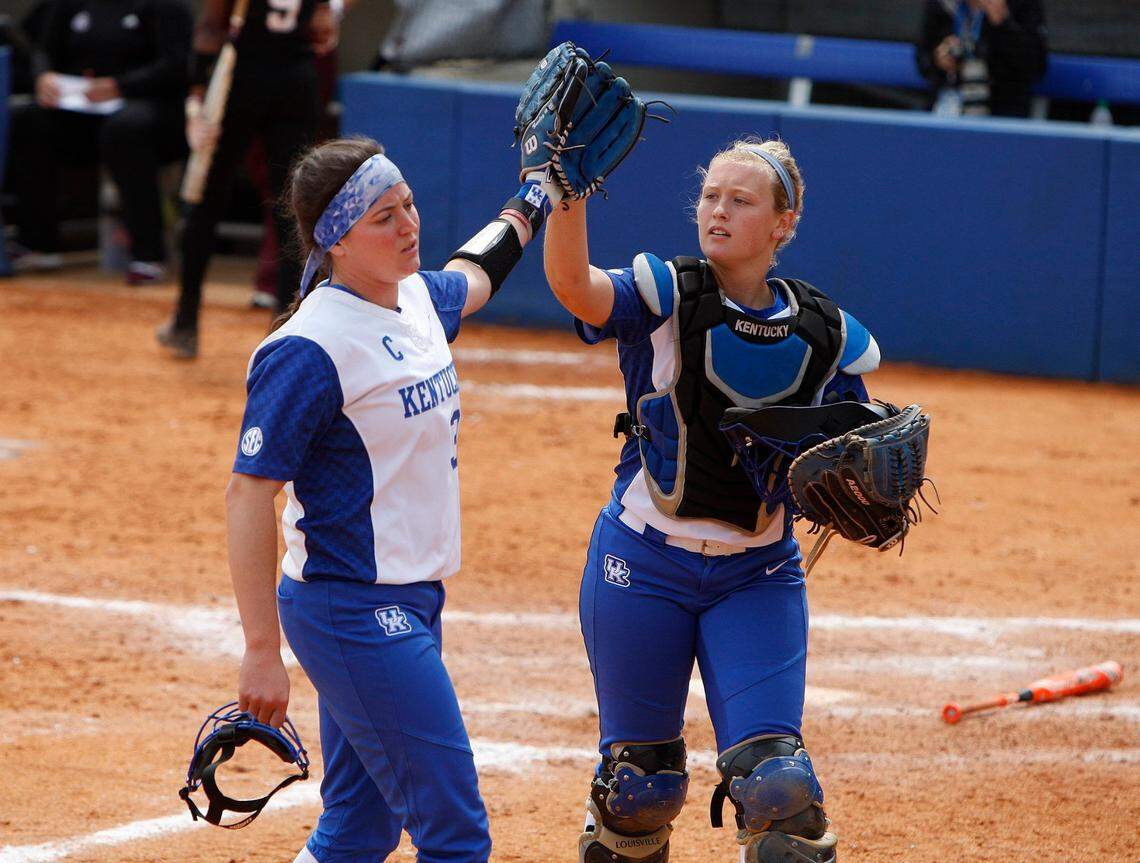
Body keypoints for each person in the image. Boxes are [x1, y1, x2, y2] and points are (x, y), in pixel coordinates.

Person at [542, 139, 880, 863]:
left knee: (778, 786)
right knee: (642, 786)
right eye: (709, 196)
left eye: (741, 200)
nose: (717, 210)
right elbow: (574, 286)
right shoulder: (662, 294)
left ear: (783, 223)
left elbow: (851, 457)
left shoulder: (828, 337)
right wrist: (564, 195)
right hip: (641, 564)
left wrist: (862, 485)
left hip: (755, 576)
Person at [226, 136, 550, 863]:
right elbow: (248, 494)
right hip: (353, 609)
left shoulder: (415, 299)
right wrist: (259, 650)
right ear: (334, 238)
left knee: (359, 829)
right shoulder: (307, 348)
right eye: (383, 217)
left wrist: (536, 196)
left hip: (410, 598)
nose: (408, 226)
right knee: (455, 834)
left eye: (408, 205)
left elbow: (475, 270)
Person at [156, 0, 340, 358]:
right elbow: (322, 26)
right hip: (296, 81)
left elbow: (211, 26)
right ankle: (287, 330)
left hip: (242, 79)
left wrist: (195, 100)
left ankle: (185, 320)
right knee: (292, 207)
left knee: (206, 199)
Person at [4, 0, 192, 279]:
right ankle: (38, 244)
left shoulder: (166, 6)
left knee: (126, 129)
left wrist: (121, 86)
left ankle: (148, 254)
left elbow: (177, 65)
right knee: (29, 121)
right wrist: (43, 78)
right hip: (81, 108)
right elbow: (42, 49)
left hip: (150, 110)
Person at [915, 0, 1047, 118]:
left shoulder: (1021, 5)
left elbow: (1035, 68)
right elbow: (923, 58)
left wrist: (1004, 26)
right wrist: (939, 59)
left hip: (1001, 110)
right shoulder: (941, 5)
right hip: (946, 105)